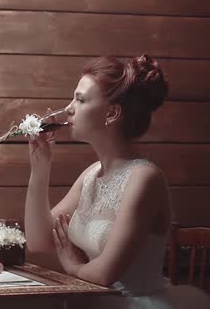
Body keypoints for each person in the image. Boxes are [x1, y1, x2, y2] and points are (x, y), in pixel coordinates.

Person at [24, 55, 210, 308]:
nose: (69, 108)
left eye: (80, 99)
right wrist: (40, 167)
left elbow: (105, 274)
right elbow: (38, 240)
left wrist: (73, 266)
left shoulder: (144, 178)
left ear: (111, 113)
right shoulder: (91, 175)